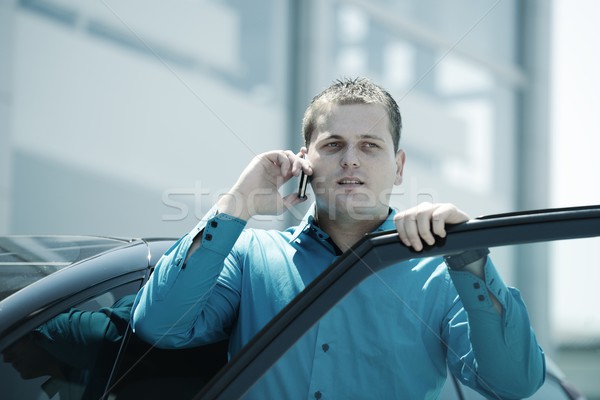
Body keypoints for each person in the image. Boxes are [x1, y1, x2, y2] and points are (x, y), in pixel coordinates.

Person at [131, 77, 545, 399]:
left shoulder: (441, 273)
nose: (350, 159)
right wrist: (238, 203)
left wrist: (469, 257)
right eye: (333, 145)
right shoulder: (250, 256)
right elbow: (159, 326)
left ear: (398, 167)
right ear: (304, 161)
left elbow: (514, 383)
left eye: (369, 145)